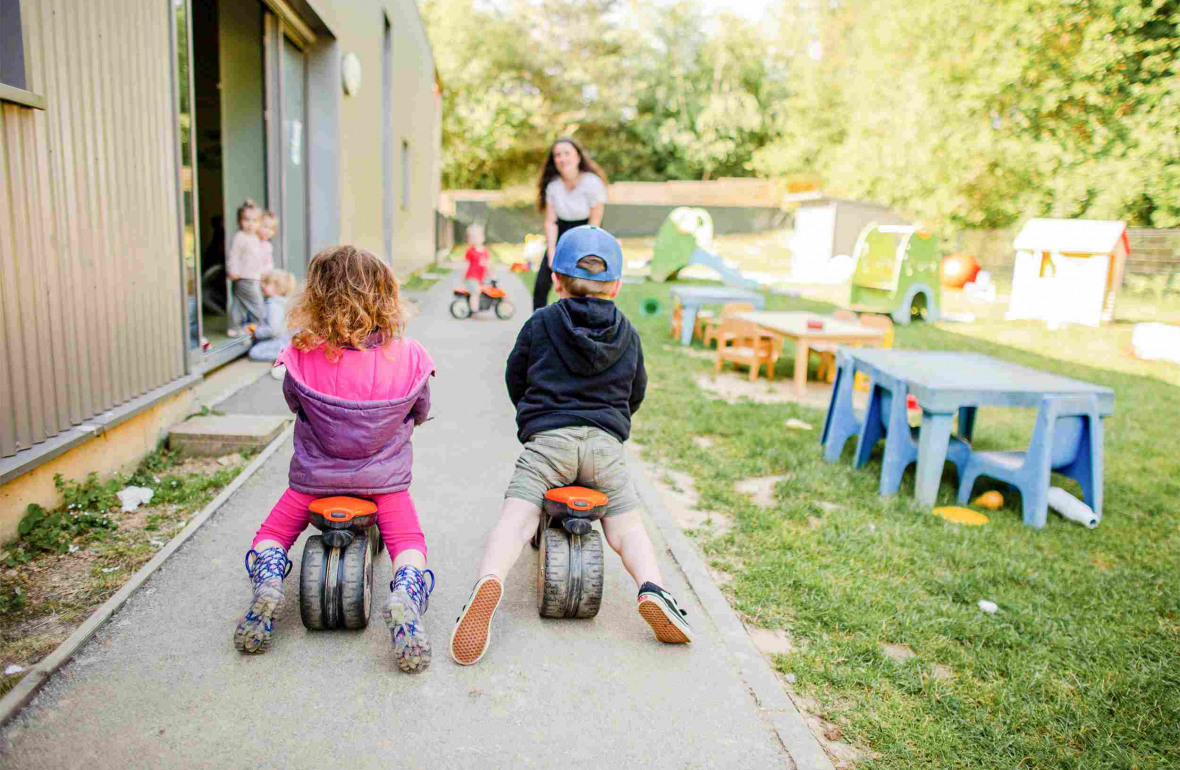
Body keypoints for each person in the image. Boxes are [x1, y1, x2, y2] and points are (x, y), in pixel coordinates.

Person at [449, 226, 692, 667]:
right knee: (626, 527)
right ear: (616, 285)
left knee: (517, 516)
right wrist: (615, 424)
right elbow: (636, 390)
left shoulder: (541, 323)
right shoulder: (628, 333)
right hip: (603, 446)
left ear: (556, 280)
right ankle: (654, 588)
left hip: (549, 443)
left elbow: (515, 376)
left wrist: (533, 416)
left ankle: (488, 582)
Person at [233, 246, 437, 673]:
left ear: (316, 297)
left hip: (313, 479)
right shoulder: (410, 355)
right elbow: (419, 409)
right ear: (386, 296)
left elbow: (294, 403)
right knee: (408, 542)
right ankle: (406, 591)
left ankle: (270, 576)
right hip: (383, 481)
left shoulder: (301, 355)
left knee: (272, 533)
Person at [533, 137, 607, 312]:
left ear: (578, 157)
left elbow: (595, 222)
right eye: (557, 155)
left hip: (587, 233)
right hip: (561, 233)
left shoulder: (592, 182)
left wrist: (587, 251)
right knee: (541, 286)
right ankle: (535, 329)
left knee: (582, 288)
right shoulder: (553, 186)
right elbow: (551, 221)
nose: (562, 158)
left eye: (566, 153)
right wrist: (551, 252)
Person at [225, 199, 271, 338]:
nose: (251, 224)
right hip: (244, 277)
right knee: (257, 304)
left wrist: (263, 270)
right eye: (246, 220)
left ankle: (234, 327)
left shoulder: (256, 237)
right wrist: (232, 270)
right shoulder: (240, 237)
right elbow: (233, 255)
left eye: (254, 221)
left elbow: (259, 257)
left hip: (253, 276)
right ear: (240, 221)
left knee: (238, 303)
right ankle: (262, 326)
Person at [248, 268, 296, 369]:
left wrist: (256, 333)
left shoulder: (273, 305)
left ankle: (285, 356)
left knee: (254, 352)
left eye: (266, 283)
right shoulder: (282, 302)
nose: (262, 285)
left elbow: (273, 330)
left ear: (277, 287)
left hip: (277, 340)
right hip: (284, 339)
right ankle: (288, 353)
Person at [463, 223, 490, 312]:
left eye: (477, 237)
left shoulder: (485, 251)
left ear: (482, 237)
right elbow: (466, 264)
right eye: (472, 237)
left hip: (481, 278)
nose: (475, 240)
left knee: (487, 289)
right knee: (476, 291)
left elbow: (487, 264)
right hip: (472, 277)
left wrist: (490, 273)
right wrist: (463, 275)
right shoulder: (470, 251)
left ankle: (482, 304)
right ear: (469, 239)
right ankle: (473, 309)